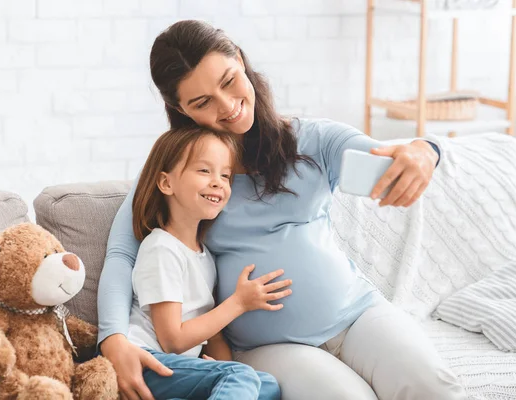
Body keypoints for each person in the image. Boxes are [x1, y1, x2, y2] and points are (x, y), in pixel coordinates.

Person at [98, 20, 468, 400]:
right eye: (202, 102)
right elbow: (124, 251)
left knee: (434, 386)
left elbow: (388, 161)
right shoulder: (181, 173)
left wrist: (426, 151)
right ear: (180, 109)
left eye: (228, 81)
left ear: (240, 60)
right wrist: (112, 338)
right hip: (268, 347)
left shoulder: (313, 140)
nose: (227, 107)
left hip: (356, 313)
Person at [127, 126, 286, 399]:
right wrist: (238, 303)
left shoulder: (205, 255)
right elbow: (172, 339)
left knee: (267, 385)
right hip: (146, 363)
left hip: (181, 368)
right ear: (166, 183)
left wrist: (222, 368)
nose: (218, 182)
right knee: (241, 377)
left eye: (225, 175)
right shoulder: (161, 249)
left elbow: (214, 337)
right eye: (204, 171)